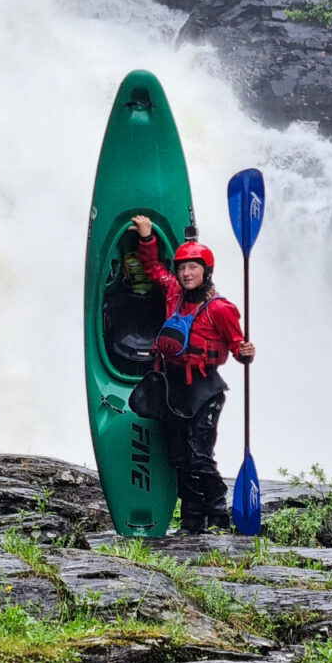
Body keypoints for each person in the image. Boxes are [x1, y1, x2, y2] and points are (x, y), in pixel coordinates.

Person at [129, 214, 256, 534]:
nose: (186, 273)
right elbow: (154, 269)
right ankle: (191, 520)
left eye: (193, 268)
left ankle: (218, 514)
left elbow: (238, 346)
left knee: (199, 455)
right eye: (183, 268)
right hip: (174, 387)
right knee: (179, 457)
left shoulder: (221, 309)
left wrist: (246, 353)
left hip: (205, 389)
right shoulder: (172, 292)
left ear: (206, 272)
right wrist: (147, 239)